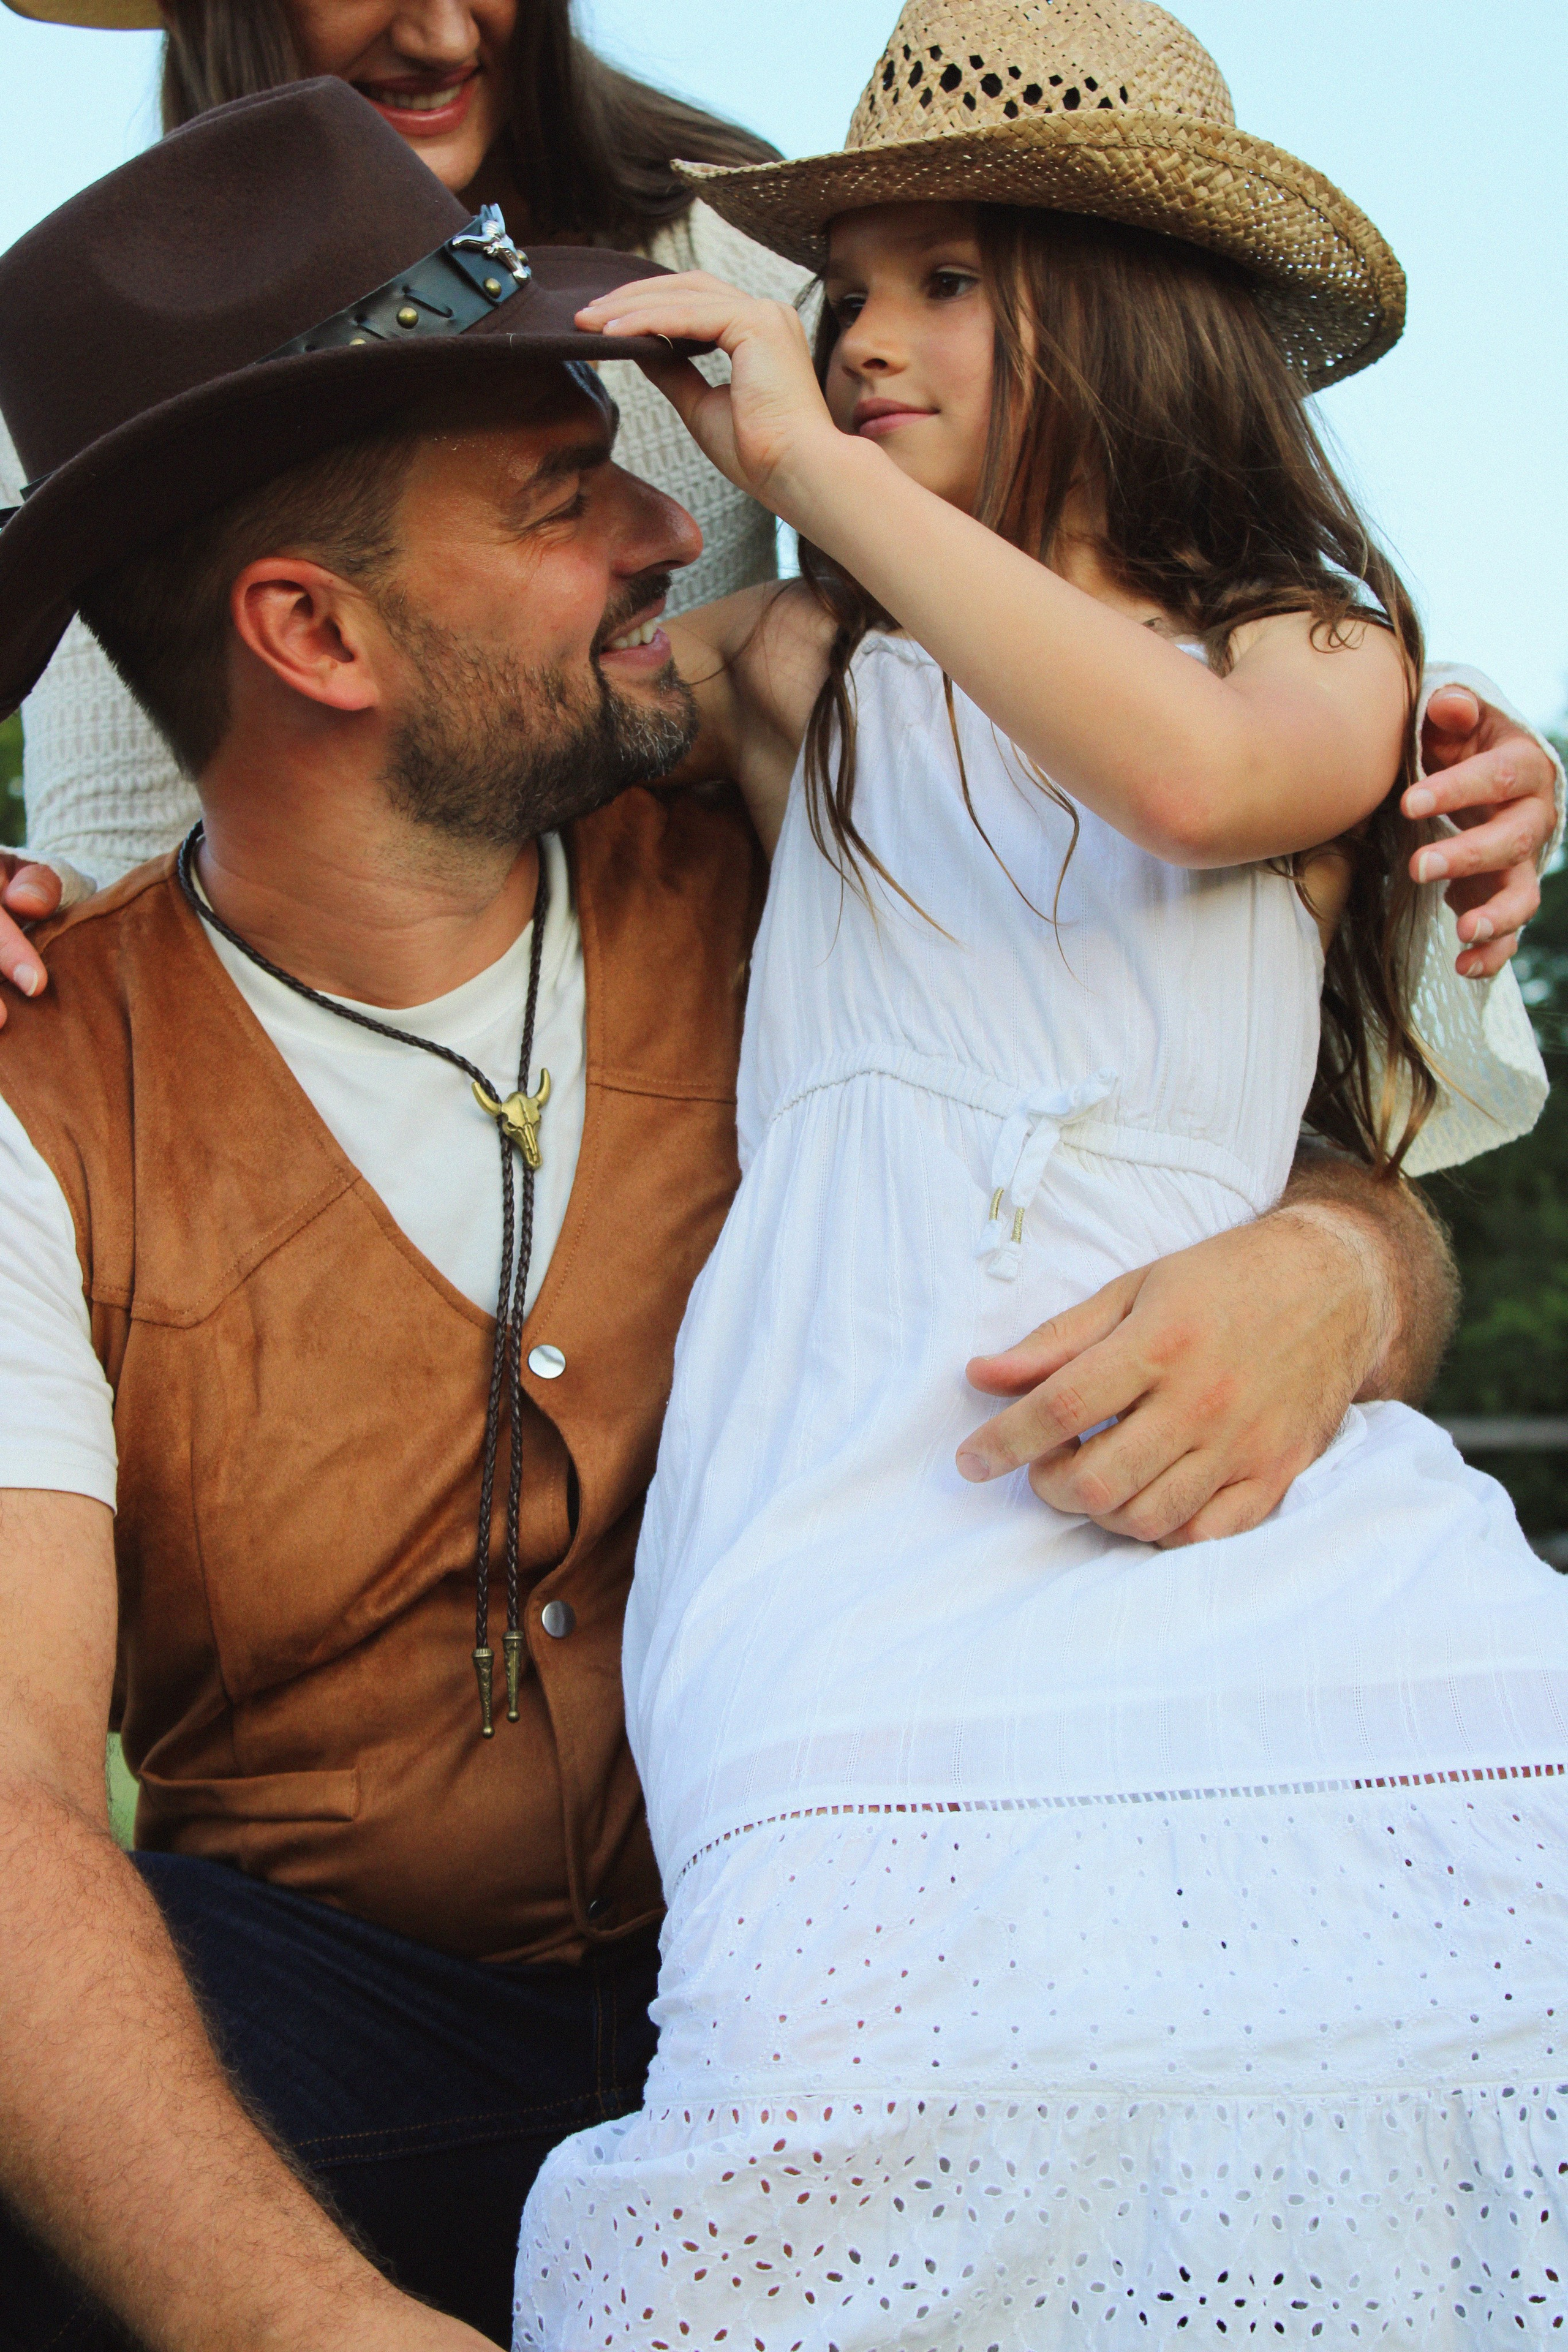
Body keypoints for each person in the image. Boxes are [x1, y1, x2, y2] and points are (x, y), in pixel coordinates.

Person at [0, 75, 1492, 2352]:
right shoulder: (40, 1076)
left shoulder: (806, 855)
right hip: (338, 2063)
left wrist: (1343, 1263)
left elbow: (1179, 1067)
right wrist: (293, 2323)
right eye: (564, 490)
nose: (671, 531)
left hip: (892, 1924)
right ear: (316, 634)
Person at [513, 3, 1568, 2339]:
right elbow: (471, 725)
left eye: (947, 279)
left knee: (1457, 2043)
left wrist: (1545, 765)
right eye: (843, 288)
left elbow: (1186, 778)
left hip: (1266, 1518)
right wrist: (84, 896)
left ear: (1121, 311)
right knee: (829, 2127)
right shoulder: (799, 660)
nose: (865, 339)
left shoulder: (1315, 651)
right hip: (860, 1513)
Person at [0, 0, 805, 891]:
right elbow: (110, 843)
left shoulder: (760, 263)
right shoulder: (87, 386)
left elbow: (911, 682)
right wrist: (50, 931)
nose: (443, 38)